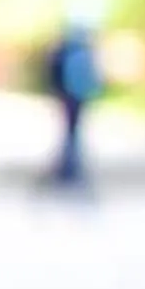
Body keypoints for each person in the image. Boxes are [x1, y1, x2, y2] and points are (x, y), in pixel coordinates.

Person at [45, 14, 103, 189]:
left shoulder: (63, 49)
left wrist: (57, 90)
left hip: (66, 96)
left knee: (68, 133)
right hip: (80, 96)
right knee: (74, 133)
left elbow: (53, 71)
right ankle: (71, 168)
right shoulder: (86, 49)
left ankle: (68, 168)